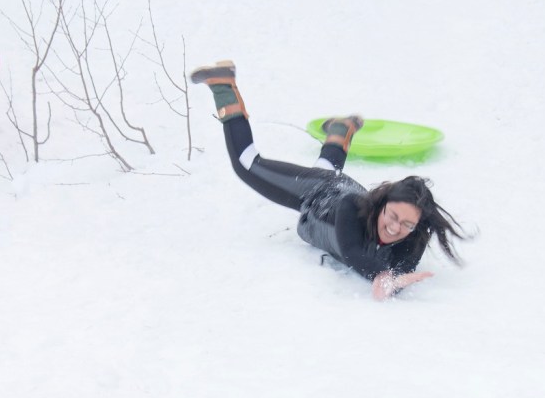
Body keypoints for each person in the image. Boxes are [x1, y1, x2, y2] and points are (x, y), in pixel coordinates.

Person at [191, 60, 466, 300]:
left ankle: (340, 129)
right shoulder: (352, 208)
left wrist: (392, 281)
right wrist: (382, 277)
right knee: (247, 165)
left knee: (328, 170)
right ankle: (223, 86)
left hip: (334, 182)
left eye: (407, 224)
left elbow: (400, 272)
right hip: (318, 192)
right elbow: (352, 252)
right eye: (392, 216)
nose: (395, 228)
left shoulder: (414, 236)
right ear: (382, 204)